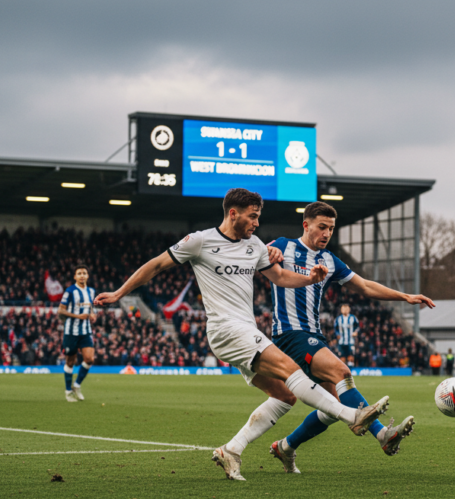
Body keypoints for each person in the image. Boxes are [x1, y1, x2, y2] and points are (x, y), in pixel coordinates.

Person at [95, 188, 388, 481]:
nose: (257, 223)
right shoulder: (200, 241)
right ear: (233, 214)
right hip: (225, 329)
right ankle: (353, 416)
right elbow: (157, 264)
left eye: (258, 217)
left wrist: (309, 278)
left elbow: (280, 277)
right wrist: (120, 293)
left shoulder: (255, 245)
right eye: (253, 216)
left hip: (246, 330)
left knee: (285, 395)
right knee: (292, 370)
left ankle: (231, 450)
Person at [265, 202, 435, 472]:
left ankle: (285, 447)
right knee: (341, 371)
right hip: (289, 334)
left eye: (331, 229)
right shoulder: (284, 246)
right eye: (322, 227)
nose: (326, 233)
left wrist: (405, 296)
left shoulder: (329, 260)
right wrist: (267, 250)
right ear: (306, 225)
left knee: (333, 406)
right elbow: (253, 253)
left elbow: (365, 286)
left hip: (313, 334)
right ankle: (383, 434)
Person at [58, 265, 96, 402]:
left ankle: (77, 385)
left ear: (87, 276)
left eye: (84, 273)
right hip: (71, 331)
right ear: (75, 276)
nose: (82, 275)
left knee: (89, 359)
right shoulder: (69, 291)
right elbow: (60, 310)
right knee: (70, 362)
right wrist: (77, 316)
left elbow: (91, 307)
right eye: (79, 273)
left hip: (86, 331)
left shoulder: (91, 291)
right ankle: (68, 391)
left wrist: (92, 314)